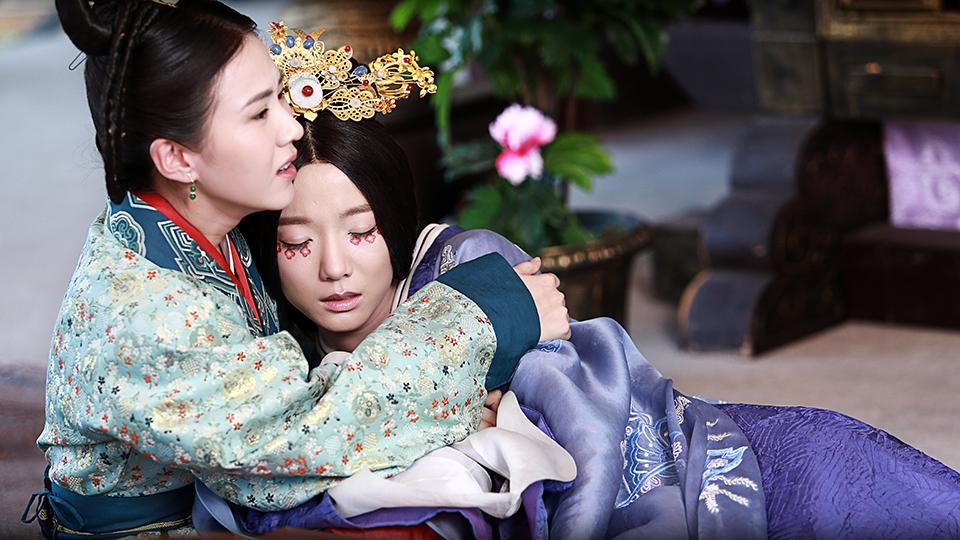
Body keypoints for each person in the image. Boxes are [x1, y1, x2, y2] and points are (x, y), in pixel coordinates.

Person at [236, 55, 960, 538]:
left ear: (395, 224)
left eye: (362, 233)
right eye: (298, 244)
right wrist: (457, 404)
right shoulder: (271, 356)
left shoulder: (469, 266)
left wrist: (455, 406)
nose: (334, 269)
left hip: (711, 461)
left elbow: (582, 409)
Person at [22, 2, 570, 538]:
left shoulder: (198, 226)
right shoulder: (149, 317)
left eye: (280, 100)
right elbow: (304, 438)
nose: (290, 127)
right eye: (259, 113)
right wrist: (481, 319)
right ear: (178, 158)